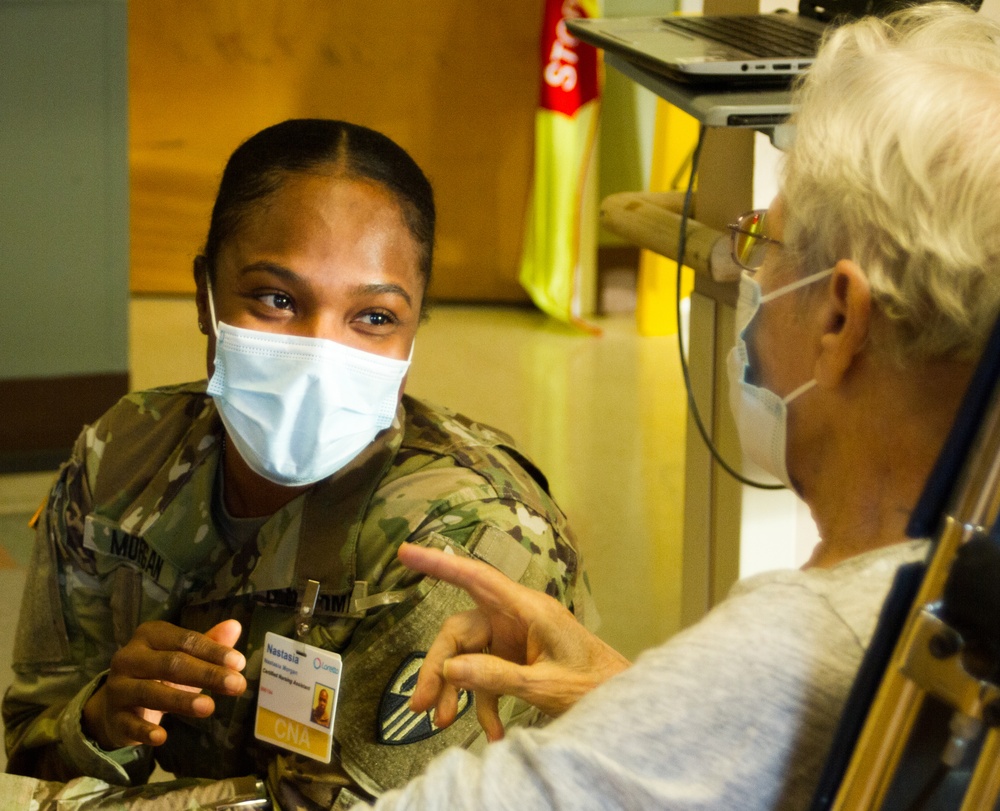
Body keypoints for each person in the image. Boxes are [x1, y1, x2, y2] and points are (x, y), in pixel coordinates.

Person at [350, 4, 1000, 809]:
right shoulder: (950, 593)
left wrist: (686, 708)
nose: (751, 280)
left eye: (765, 245)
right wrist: (637, 704)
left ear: (839, 317)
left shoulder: (793, 648)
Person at [2, 119, 593, 810]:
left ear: (414, 329)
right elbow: (34, 742)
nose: (319, 354)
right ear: (206, 296)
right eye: (278, 300)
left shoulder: (465, 544)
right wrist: (105, 719)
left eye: (373, 316)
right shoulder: (122, 459)